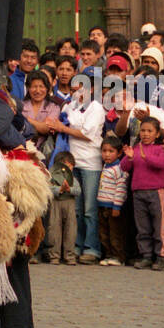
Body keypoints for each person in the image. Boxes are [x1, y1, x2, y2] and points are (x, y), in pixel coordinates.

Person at [62, 75, 105, 263]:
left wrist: (62, 128)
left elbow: (87, 134)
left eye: (82, 89)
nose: (78, 93)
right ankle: (77, 246)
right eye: (74, 90)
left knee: (89, 209)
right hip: (73, 162)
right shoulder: (69, 106)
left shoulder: (96, 108)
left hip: (91, 163)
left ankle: (92, 248)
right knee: (77, 210)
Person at [122, 116, 164, 269]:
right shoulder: (135, 148)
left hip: (157, 192)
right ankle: (146, 255)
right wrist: (129, 158)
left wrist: (145, 157)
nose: (145, 134)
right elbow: (124, 167)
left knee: (160, 226)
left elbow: (162, 163)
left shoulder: (160, 148)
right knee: (143, 227)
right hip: (138, 192)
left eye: (150, 131)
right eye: (143, 130)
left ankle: (161, 256)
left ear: (157, 134)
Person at [97, 135, 128, 265]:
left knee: (115, 233)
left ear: (119, 153)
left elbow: (121, 188)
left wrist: (117, 206)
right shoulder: (105, 166)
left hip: (112, 207)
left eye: (111, 151)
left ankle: (118, 256)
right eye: (104, 151)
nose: (107, 154)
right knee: (104, 233)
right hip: (102, 205)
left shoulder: (119, 168)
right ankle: (108, 254)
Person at [47, 151, 80, 265]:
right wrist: (59, 189)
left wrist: (69, 189)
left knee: (70, 230)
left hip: (69, 203)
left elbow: (78, 191)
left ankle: (70, 255)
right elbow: (48, 189)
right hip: (56, 203)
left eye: (69, 166)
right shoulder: (52, 178)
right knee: (54, 229)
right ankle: (54, 255)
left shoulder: (73, 179)